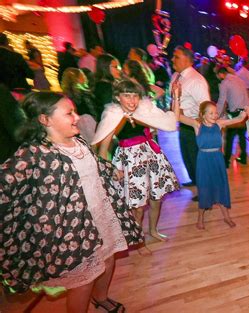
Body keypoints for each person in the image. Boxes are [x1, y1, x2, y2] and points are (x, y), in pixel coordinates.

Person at [0, 92, 143, 312]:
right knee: (83, 281)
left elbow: (92, 163)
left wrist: (111, 170)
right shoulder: (34, 154)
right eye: (69, 113)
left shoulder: (77, 141)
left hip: (101, 215)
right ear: (44, 120)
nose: (76, 117)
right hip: (73, 229)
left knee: (108, 260)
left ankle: (102, 297)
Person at [92, 80, 179, 246]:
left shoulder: (144, 111)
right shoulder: (114, 117)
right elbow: (103, 149)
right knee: (137, 208)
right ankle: (139, 240)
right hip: (130, 163)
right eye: (126, 96)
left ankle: (153, 230)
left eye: (135, 96)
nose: (132, 100)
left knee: (156, 199)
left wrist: (176, 96)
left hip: (150, 156)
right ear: (118, 97)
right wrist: (112, 168)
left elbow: (169, 120)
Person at [173, 99, 246, 230]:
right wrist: (176, 97)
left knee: (220, 187)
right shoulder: (197, 125)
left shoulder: (219, 124)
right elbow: (176, 115)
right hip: (203, 160)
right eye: (211, 113)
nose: (215, 115)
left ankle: (226, 217)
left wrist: (246, 111)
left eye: (215, 113)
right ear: (203, 114)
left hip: (217, 160)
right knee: (204, 188)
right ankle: (200, 218)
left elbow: (238, 119)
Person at [170, 45, 210, 189]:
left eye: (176, 57)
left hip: (193, 125)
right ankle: (194, 180)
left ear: (187, 60)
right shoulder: (176, 76)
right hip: (182, 124)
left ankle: (204, 190)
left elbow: (205, 106)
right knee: (186, 156)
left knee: (196, 159)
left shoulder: (196, 80)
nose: (172, 59)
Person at [215, 66, 249, 168]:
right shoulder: (240, 80)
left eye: (217, 75)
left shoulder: (225, 83)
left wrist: (216, 114)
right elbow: (246, 97)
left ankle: (226, 161)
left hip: (233, 113)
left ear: (221, 74)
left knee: (229, 138)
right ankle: (243, 158)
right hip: (243, 112)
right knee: (242, 137)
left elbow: (222, 101)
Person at [61, 68, 97, 143]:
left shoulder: (65, 97)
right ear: (77, 79)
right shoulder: (84, 94)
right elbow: (92, 110)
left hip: (78, 127)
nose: (85, 77)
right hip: (90, 124)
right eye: (82, 75)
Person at [93, 54, 122, 118]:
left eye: (119, 67)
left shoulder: (108, 84)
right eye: (115, 67)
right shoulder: (104, 87)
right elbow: (111, 110)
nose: (119, 70)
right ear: (105, 68)